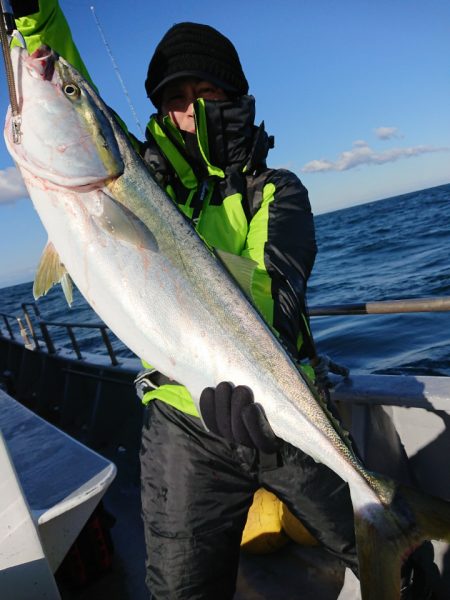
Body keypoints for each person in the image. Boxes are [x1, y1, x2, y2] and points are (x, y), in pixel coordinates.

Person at [9, 3, 437, 598]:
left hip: (285, 410)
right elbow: (70, 86)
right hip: (183, 422)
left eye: (204, 92)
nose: (188, 111)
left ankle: (398, 544)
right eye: (174, 99)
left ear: (235, 98)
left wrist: (252, 383)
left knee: (408, 568)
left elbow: (275, 290)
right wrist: (33, 20)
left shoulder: (276, 191)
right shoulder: (136, 181)